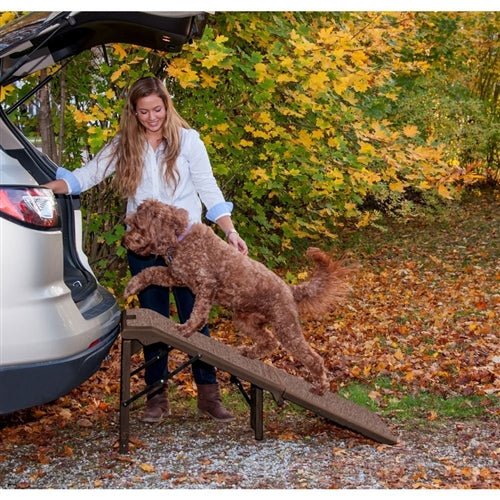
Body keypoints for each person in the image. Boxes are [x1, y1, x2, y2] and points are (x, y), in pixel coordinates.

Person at [45, 76, 248, 424]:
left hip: (187, 248)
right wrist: (42, 189)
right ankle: (157, 397)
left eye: (157, 109)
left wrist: (230, 231)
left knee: (195, 318)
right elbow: (86, 175)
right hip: (143, 246)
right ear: (134, 112)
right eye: (144, 112)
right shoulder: (125, 143)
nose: (152, 117)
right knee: (154, 323)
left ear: (167, 106)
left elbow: (208, 188)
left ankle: (209, 395)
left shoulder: (188, 141)